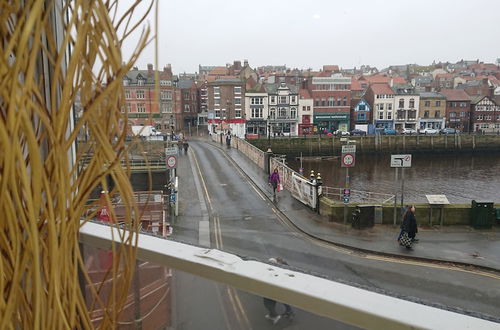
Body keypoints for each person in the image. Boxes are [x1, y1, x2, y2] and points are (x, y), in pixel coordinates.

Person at [263, 258, 294, 324]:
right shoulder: (283, 265)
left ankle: (278, 314)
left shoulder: (279, 269)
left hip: (281, 287)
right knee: (283, 300)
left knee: (271, 302)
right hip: (283, 287)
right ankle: (289, 312)